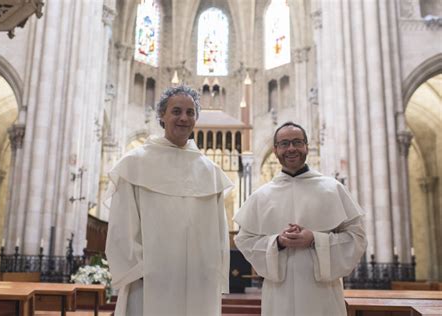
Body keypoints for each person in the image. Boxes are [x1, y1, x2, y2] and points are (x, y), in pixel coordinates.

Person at [104, 85, 233, 316]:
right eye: (176, 111)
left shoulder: (210, 171)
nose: (183, 118)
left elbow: (220, 234)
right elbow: (121, 227)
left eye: (190, 112)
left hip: (198, 283)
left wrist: (211, 271)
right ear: (162, 116)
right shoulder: (135, 163)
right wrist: (140, 270)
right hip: (148, 281)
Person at [233, 121, 367, 316]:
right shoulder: (261, 196)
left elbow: (357, 237)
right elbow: (245, 241)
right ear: (276, 149)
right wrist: (277, 242)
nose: (291, 148)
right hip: (279, 294)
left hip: (322, 294)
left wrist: (314, 239)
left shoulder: (332, 189)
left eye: (297, 142)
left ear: (306, 146)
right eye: (284, 143)